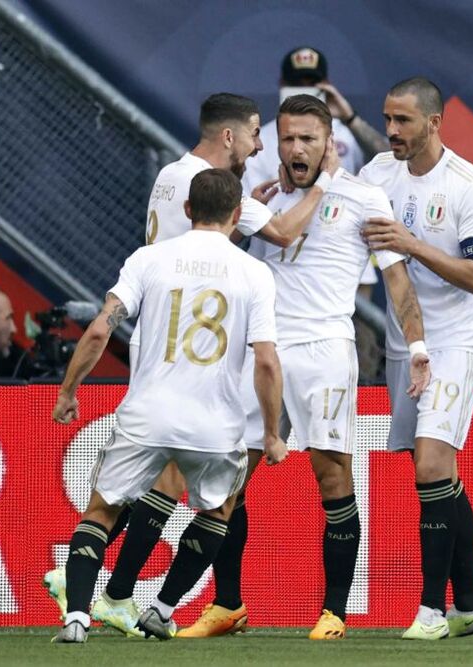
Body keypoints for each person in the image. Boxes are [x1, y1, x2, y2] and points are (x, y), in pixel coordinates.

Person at [42, 92, 341, 634]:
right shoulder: (242, 252)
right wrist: (322, 185)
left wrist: (68, 390)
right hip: (207, 380)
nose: (260, 144)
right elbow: (282, 233)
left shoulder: (169, 180)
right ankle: (141, 600)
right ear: (229, 138)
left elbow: (99, 326)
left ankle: (97, 599)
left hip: (158, 354)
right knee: (211, 502)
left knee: (122, 497)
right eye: (255, 132)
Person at [179, 95, 429, 641]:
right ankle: (228, 605)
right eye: (288, 138)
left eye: (307, 139)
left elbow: (397, 280)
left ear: (329, 143)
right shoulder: (260, 200)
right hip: (260, 350)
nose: (295, 148)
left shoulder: (363, 195)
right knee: (228, 479)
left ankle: (334, 611)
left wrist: (416, 348)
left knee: (332, 476)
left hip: (324, 351)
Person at [50, 169, 286, 643]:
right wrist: (273, 432)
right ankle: (160, 608)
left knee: (101, 512)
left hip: (147, 415)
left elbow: (99, 329)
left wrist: (68, 390)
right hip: (215, 424)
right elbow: (265, 360)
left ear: (187, 210)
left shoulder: (148, 259)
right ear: (238, 214)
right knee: (219, 513)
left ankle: (77, 616)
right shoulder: (255, 273)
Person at [358, 77, 473, 640]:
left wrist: (413, 243)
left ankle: (431, 611)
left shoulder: (469, 185)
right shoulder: (377, 174)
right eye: (388, 119)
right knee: (440, 475)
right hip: (404, 343)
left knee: (432, 464)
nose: (392, 130)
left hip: (455, 342)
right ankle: (472, 603)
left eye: (404, 121)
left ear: (434, 123)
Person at [243, 46, 389, 293]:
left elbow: (392, 162)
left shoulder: (347, 133)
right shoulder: (262, 141)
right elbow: (248, 213)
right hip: (283, 272)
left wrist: (349, 117)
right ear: (281, 84)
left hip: (349, 272)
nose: (305, 88)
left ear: (327, 85)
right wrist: (288, 177)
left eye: (313, 82)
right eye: (297, 83)